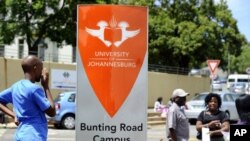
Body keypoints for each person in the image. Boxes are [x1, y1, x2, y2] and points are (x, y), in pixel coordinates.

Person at [0, 55, 55, 141]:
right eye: (41, 69)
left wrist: (14, 115)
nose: (41, 73)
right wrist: (46, 86)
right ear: (35, 68)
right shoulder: (35, 89)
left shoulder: (16, 87)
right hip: (34, 135)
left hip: (20, 134)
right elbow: (52, 112)